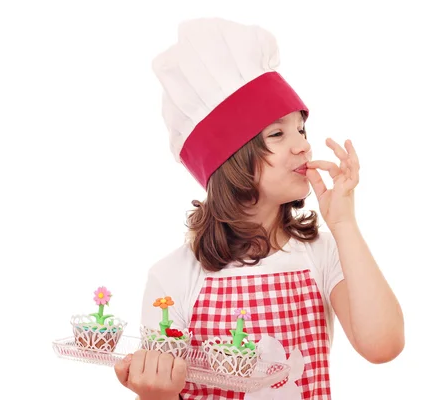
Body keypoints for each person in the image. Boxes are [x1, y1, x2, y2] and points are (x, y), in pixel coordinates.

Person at [114, 17, 404, 400]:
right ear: (230, 158)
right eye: (277, 134)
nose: (302, 146)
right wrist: (156, 393)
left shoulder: (321, 253)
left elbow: (382, 345)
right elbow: (160, 387)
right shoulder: (174, 276)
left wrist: (345, 222)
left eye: (301, 130)